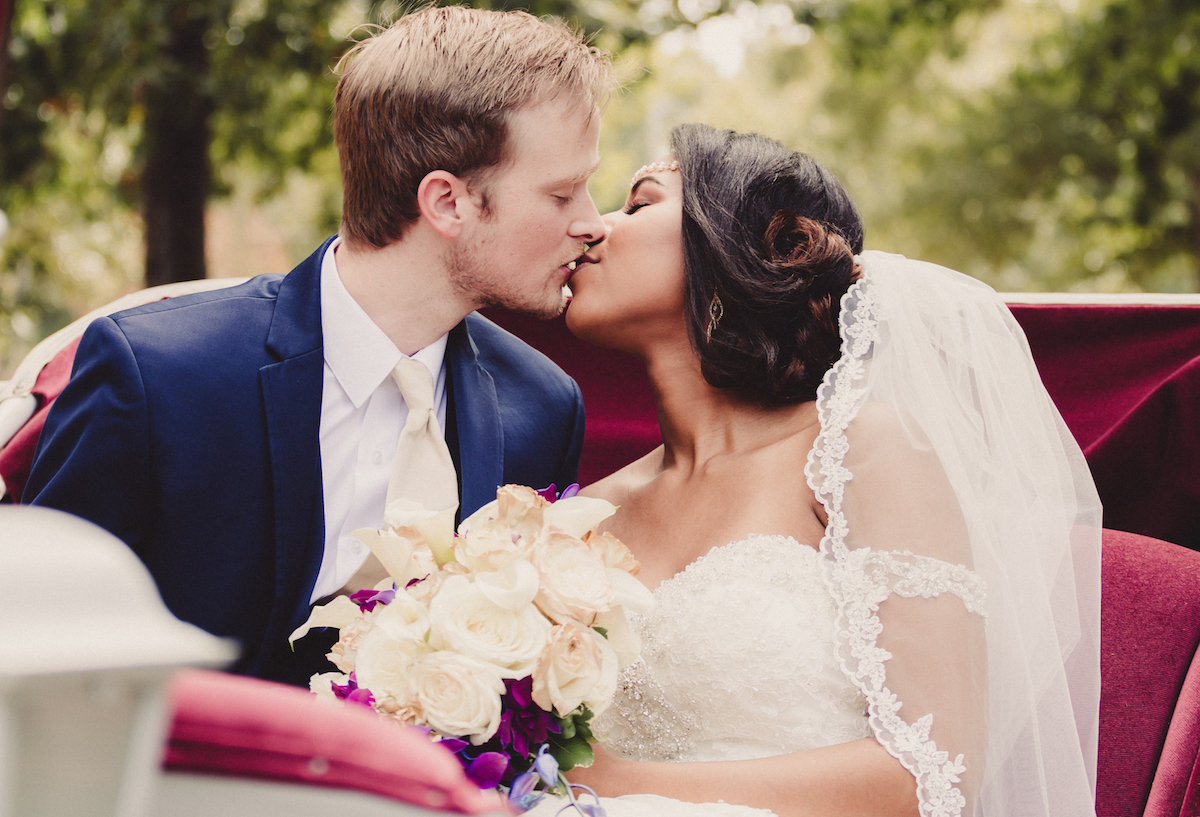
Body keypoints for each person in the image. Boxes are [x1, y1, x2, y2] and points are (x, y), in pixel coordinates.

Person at [25, 7, 614, 685]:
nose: (593, 223)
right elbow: (32, 632)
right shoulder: (159, 376)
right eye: (564, 192)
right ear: (448, 203)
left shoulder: (542, 406)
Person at [531, 124, 1102, 817]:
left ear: (735, 246)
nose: (594, 229)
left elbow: (930, 773)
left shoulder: (860, 449)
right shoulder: (588, 513)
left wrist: (615, 785)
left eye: (640, 203)